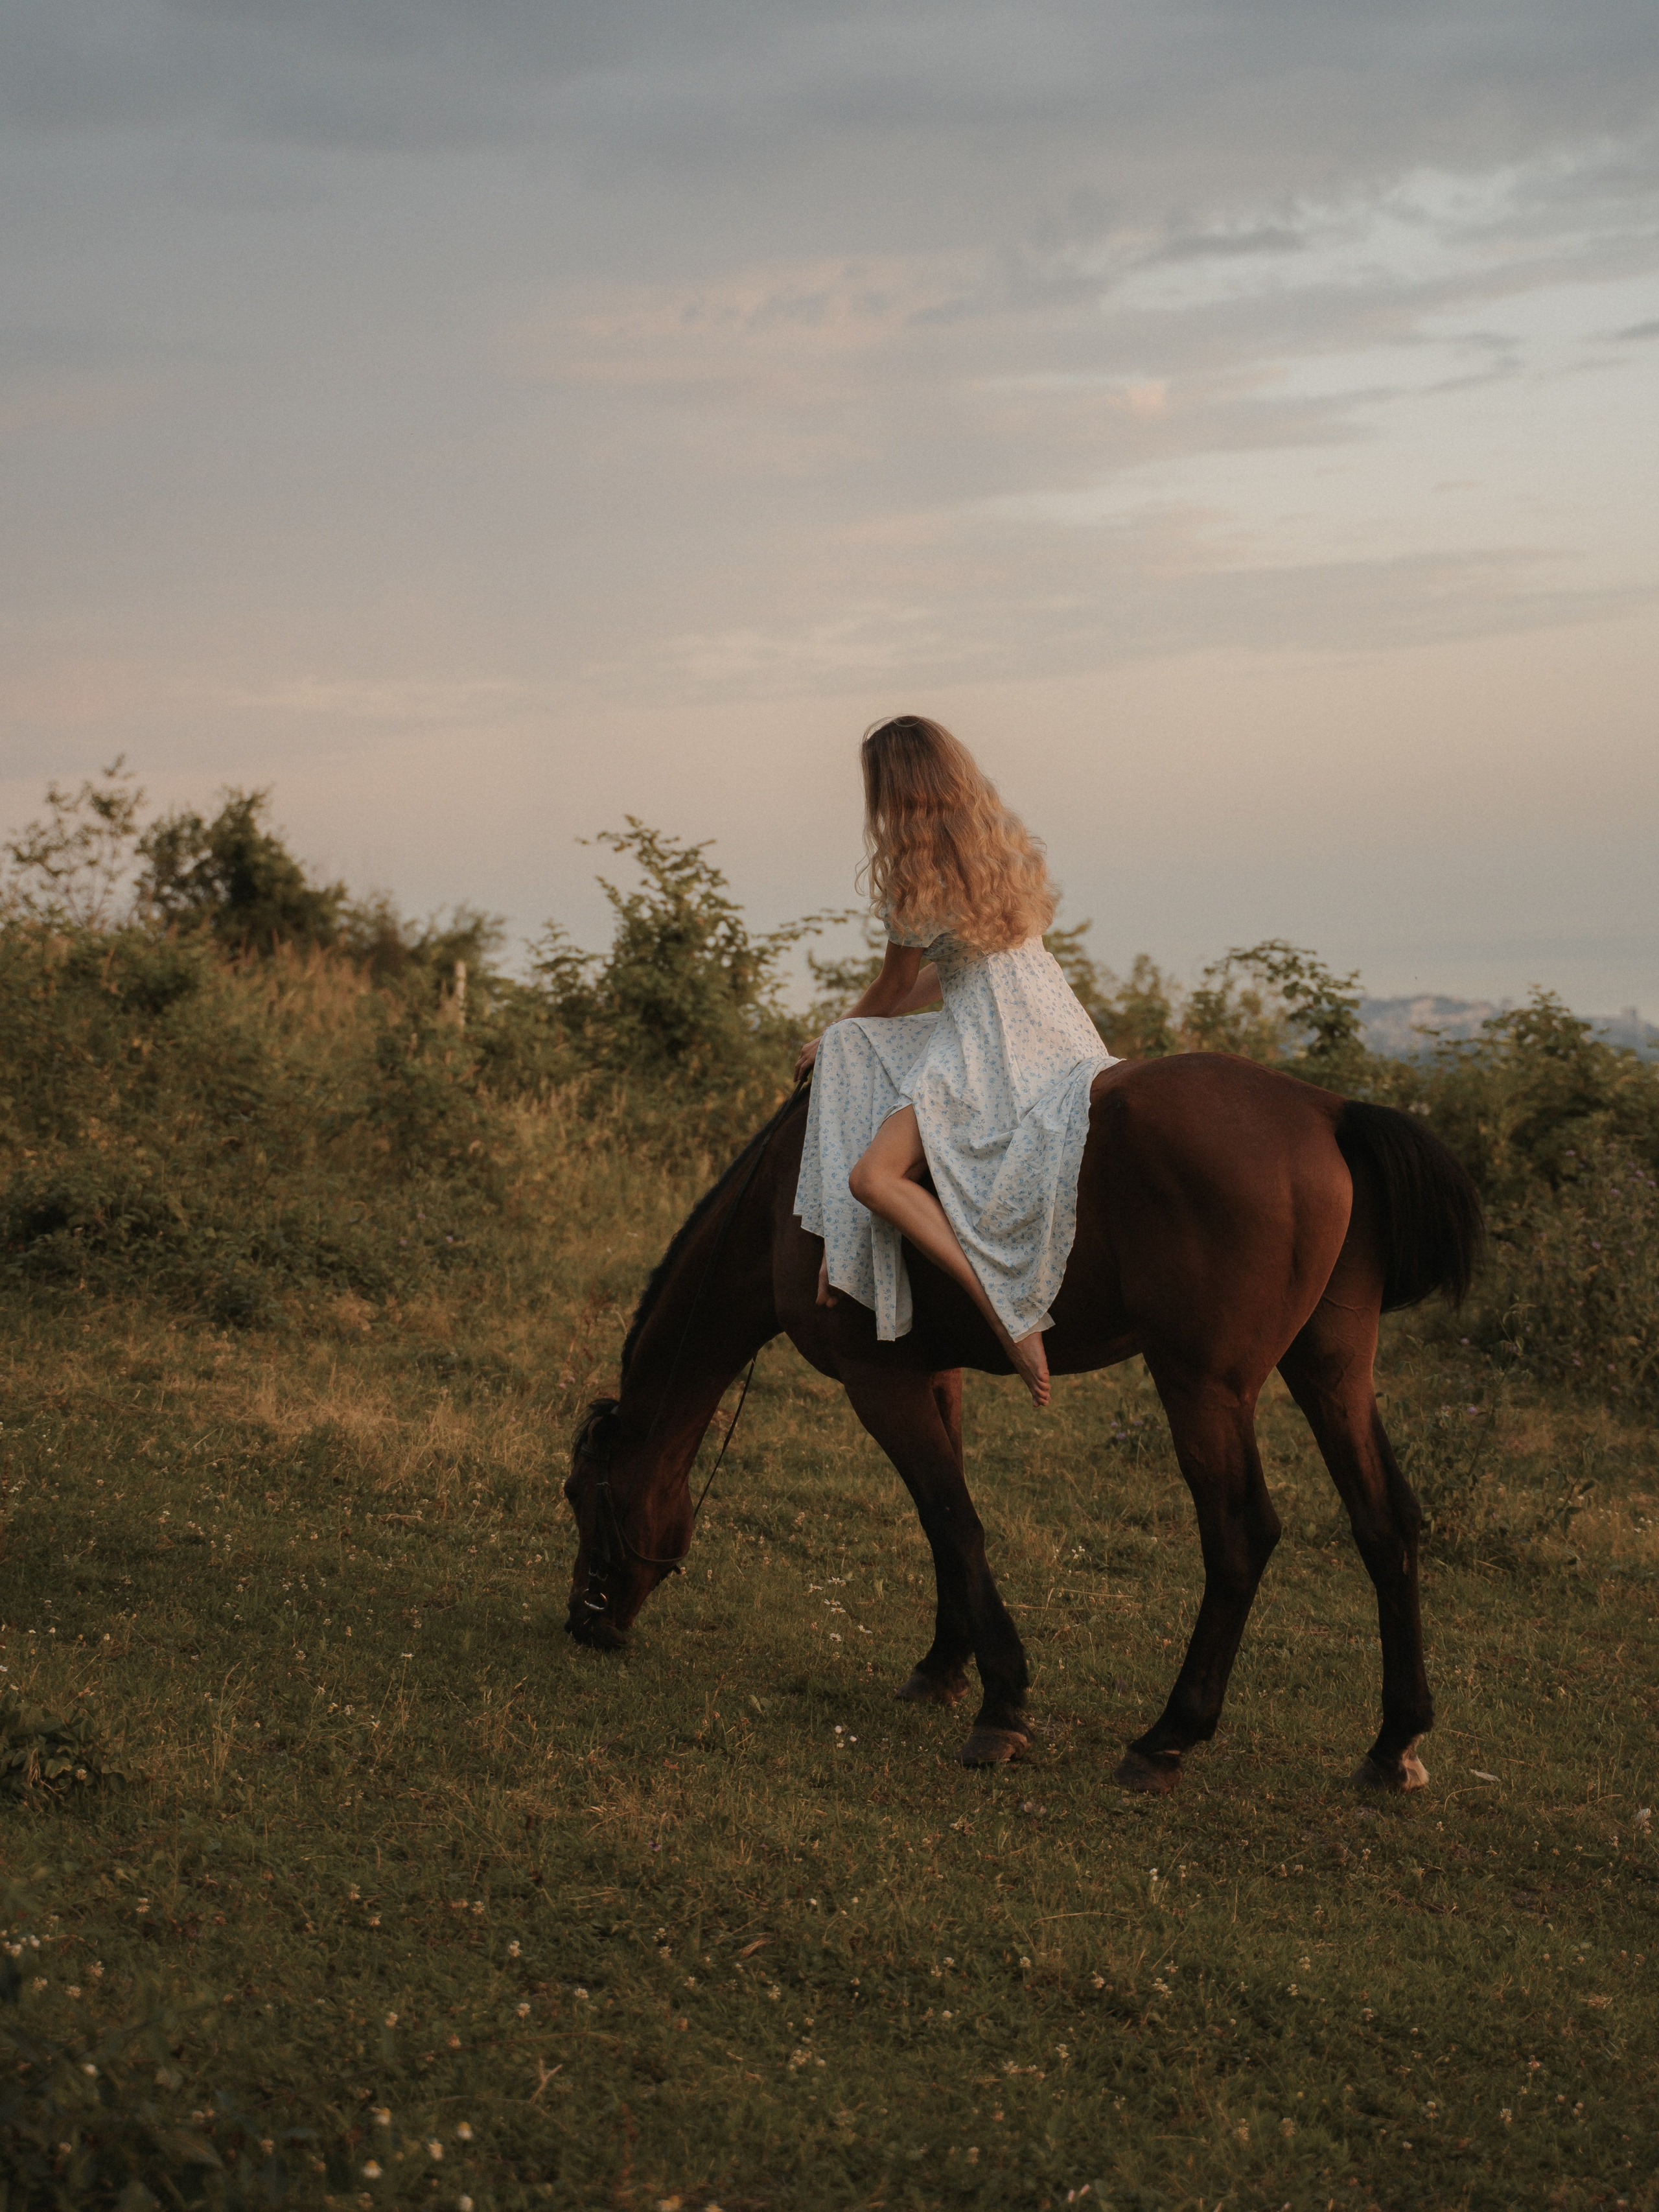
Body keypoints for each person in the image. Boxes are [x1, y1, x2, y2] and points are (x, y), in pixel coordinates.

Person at [793, 716, 1116, 1408]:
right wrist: (844, 1035)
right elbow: (950, 974)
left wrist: (836, 1027)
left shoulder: (914, 875)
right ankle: (846, 1247)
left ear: (893, 791)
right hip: (1055, 1026)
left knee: (873, 1177)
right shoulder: (1005, 849)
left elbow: (889, 992)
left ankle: (1003, 1310)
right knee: (853, 1046)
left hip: (988, 1046)